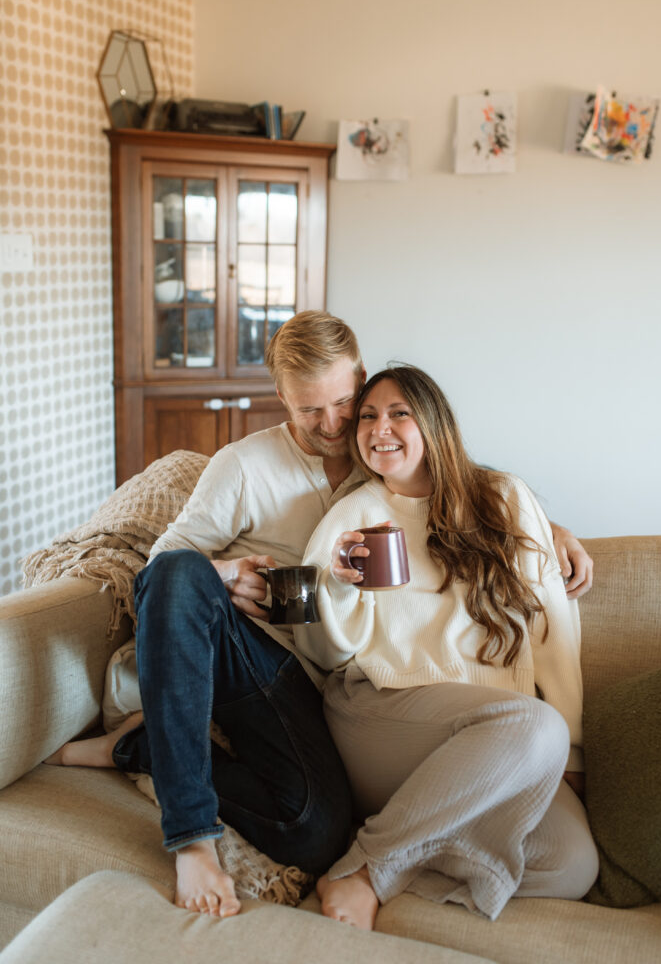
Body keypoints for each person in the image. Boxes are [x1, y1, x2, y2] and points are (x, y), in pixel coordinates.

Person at [45, 312, 594, 920]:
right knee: (179, 575)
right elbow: (163, 565)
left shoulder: (376, 452)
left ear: (359, 378)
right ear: (280, 397)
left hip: (325, 693)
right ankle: (191, 835)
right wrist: (224, 576)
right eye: (310, 411)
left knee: (314, 832)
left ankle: (140, 748)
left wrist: (544, 530)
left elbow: (451, 478)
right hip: (269, 663)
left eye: (345, 403)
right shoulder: (247, 467)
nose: (333, 425)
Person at [295, 365, 599, 929]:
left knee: (570, 864)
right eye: (366, 416)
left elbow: (552, 628)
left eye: (397, 413)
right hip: (382, 714)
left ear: (433, 423)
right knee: (537, 727)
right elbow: (321, 652)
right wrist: (335, 583)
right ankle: (365, 869)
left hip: (498, 732)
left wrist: (572, 752)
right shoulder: (353, 516)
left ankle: (407, 856)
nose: (378, 427)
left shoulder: (505, 498)